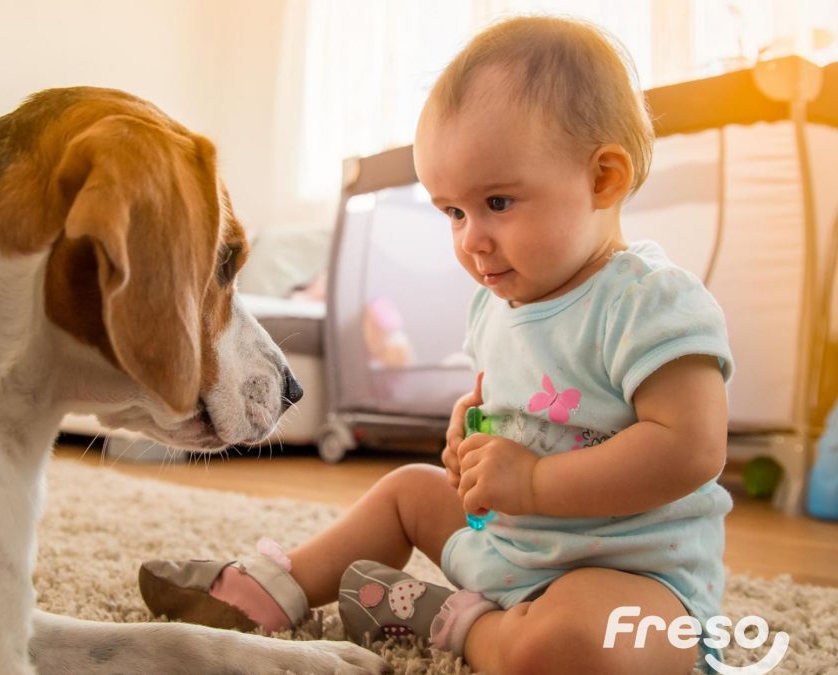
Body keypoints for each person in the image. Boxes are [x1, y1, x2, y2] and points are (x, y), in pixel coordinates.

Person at [138, 15, 734, 675]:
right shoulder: (498, 302)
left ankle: (450, 618)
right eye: (452, 211)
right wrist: (472, 432)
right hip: (509, 545)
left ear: (603, 179)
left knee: (563, 648)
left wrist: (534, 479)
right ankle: (279, 586)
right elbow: (518, 406)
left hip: (632, 582)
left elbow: (692, 448)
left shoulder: (650, 302)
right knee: (407, 491)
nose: (471, 238)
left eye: (498, 202)